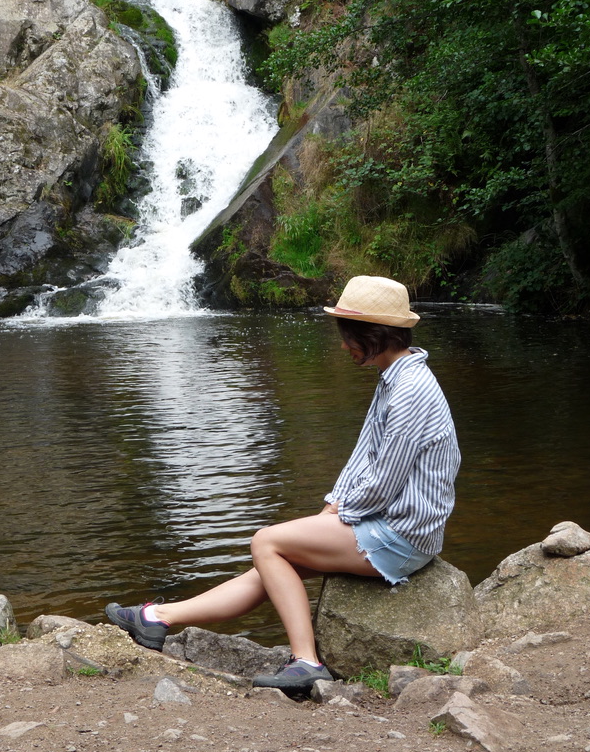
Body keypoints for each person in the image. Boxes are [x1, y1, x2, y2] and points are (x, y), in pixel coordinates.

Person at [105, 275, 461, 694]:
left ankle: (307, 663)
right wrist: (332, 507)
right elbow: (364, 456)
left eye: (347, 335)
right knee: (273, 565)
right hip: (386, 524)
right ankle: (157, 618)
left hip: (399, 535)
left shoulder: (411, 389)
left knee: (266, 542)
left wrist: (341, 515)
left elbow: (383, 481)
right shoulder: (396, 377)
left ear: (374, 333)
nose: (343, 345)